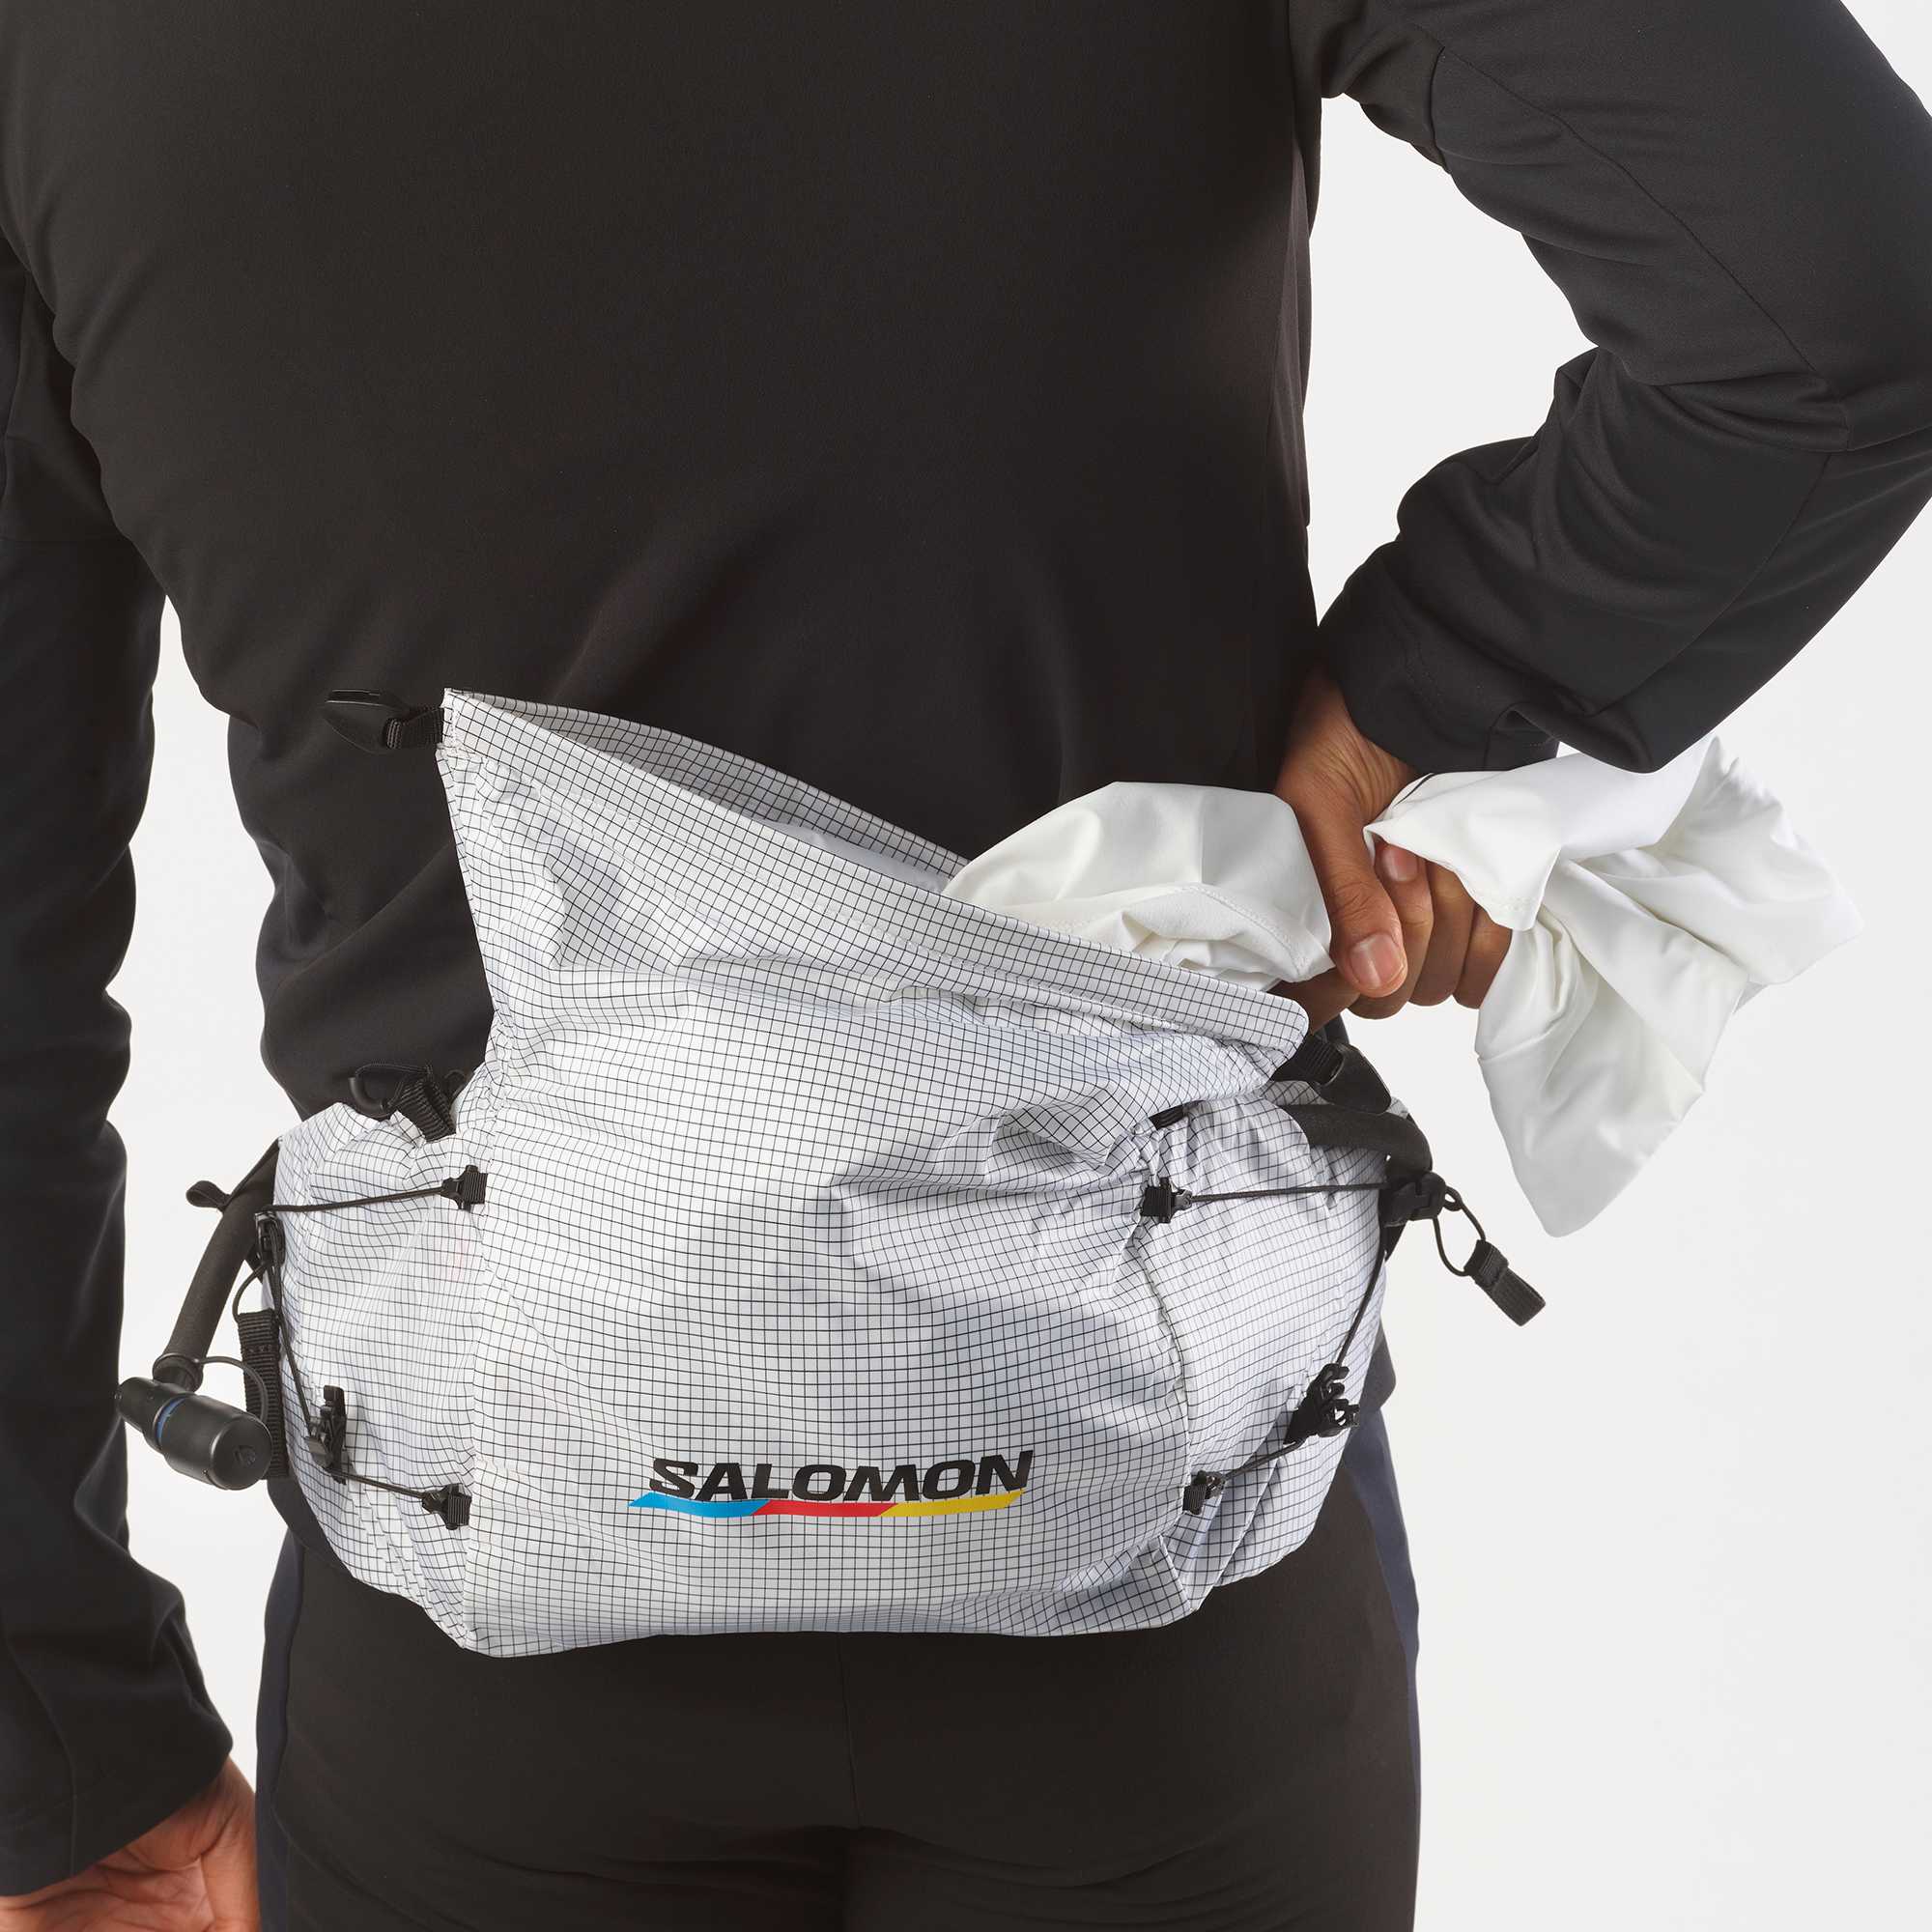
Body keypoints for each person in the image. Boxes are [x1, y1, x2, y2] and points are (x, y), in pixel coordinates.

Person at [3, 6, 1928, 1929]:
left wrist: (64, 1753)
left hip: (483, 1571)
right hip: (1165, 1526)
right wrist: (1425, 707)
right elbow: (1836, 298)